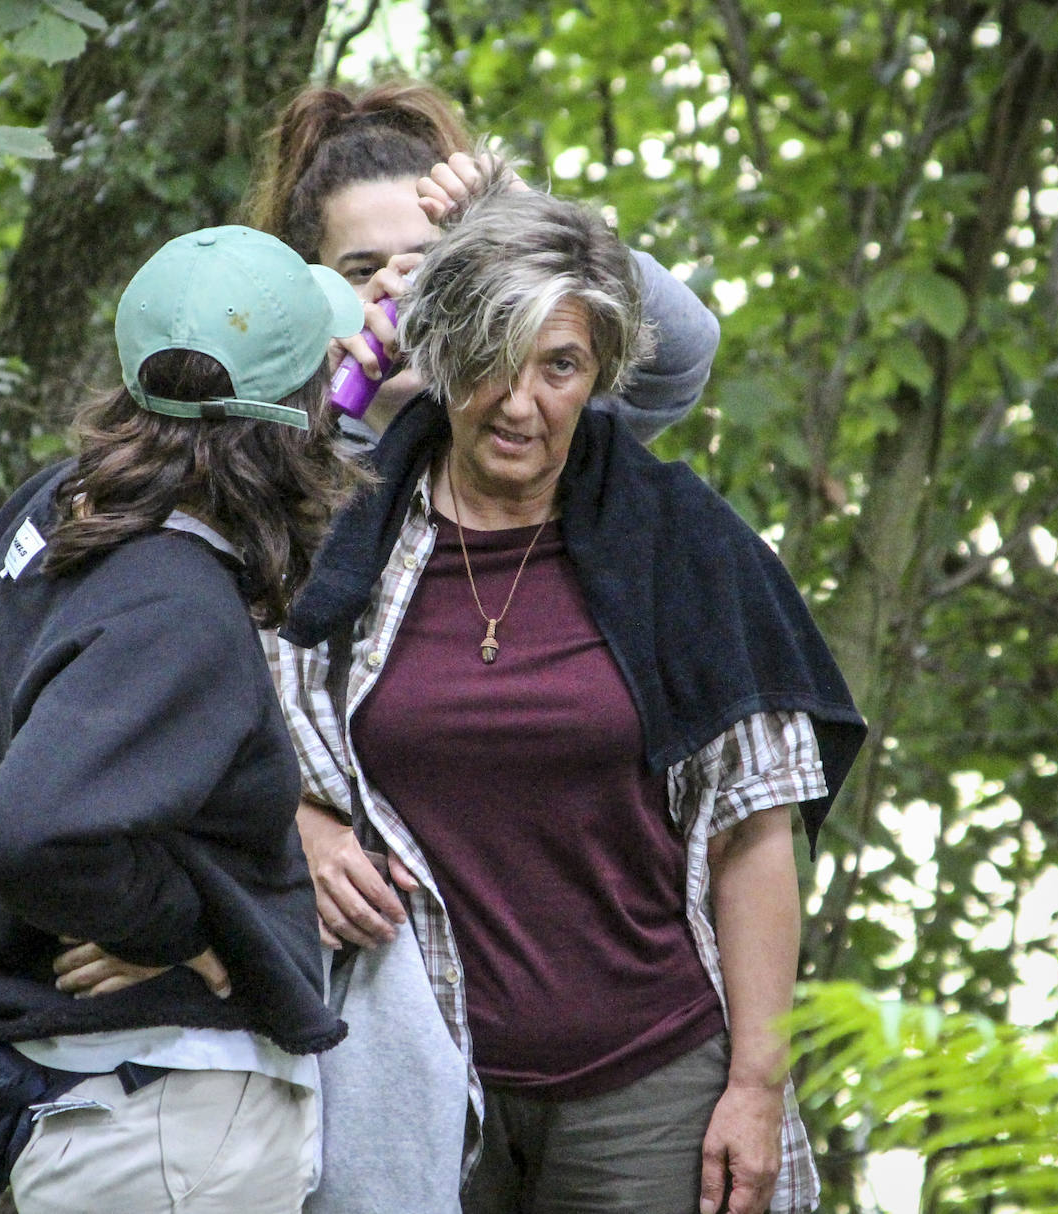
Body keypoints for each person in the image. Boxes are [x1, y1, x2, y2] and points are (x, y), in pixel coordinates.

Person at [271, 187, 867, 1213]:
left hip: (649, 1082)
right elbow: (233, 714)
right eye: (495, 356)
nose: (521, 403)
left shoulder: (680, 544)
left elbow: (755, 830)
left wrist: (758, 1085)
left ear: (598, 375)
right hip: (417, 1076)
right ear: (445, 351)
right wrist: (302, 818)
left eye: (561, 366)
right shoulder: (348, 541)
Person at [0, 225, 368, 1213]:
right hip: (166, 1120)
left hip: (99, 1109)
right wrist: (177, 926)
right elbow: (27, 831)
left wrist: (32, 775)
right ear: (295, 416)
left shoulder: (57, 509)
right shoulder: (177, 600)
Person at [244, 78, 722, 450]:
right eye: (363, 271)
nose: (398, 291)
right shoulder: (275, 430)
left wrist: (542, 224)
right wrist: (308, 402)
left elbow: (685, 352)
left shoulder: (528, 419)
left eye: (426, 264)